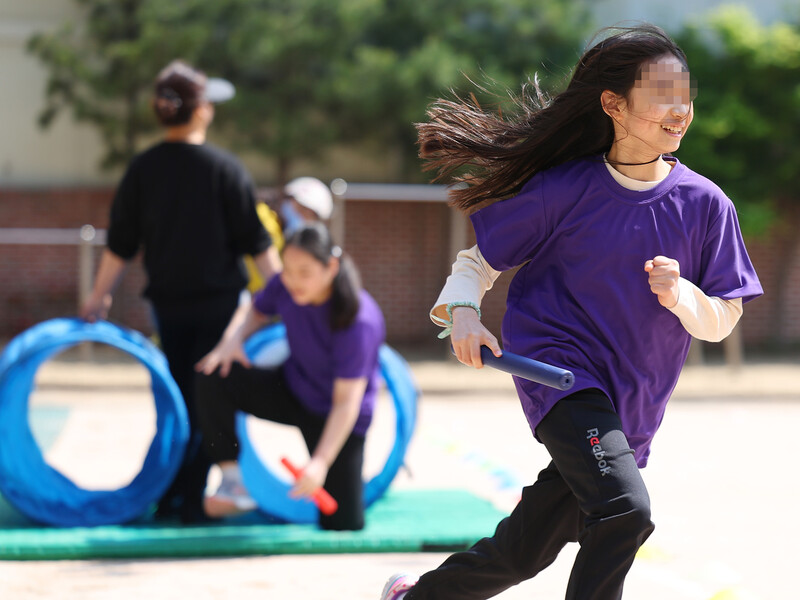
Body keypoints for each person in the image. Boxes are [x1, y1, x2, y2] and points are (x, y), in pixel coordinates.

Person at [380, 24, 762, 600]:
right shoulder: (563, 189)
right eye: (663, 94)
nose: (680, 110)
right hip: (561, 376)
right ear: (614, 104)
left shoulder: (707, 205)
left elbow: (722, 320)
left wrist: (681, 294)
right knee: (626, 513)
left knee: (525, 551)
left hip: (631, 405)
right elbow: (476, 263)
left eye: (687, 97)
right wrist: (461, 312)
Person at [80, 60, 281, 524]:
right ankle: (189, 497)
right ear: (202, 111)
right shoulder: (225, 168)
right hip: (219, 308)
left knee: (176, 399)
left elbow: (120, 243)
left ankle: (178, 493)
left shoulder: (143, 169)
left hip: (168, 308)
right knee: (208, 400)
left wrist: (98, 296)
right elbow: (257, 244)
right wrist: (279, 296)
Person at [194, 222, 385, 531]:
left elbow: (346, 403)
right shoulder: (284, 285)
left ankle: (343, 485)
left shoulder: (359, 320)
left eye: (305, 272)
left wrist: (319, 463)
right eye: (288, 270)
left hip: (339, 418)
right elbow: (254, 310)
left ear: (331, 267)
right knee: (214, 373)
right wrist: (233, 340)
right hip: (294, 389)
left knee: (342, 524)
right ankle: (232, 481)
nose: (293, 281)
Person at [244, 176, 334, 293]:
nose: (305, 218)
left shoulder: (281, 228)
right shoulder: (264, 219)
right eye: (304, 210)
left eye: (311, 216)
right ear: (290, 199)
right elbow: (274, 272)